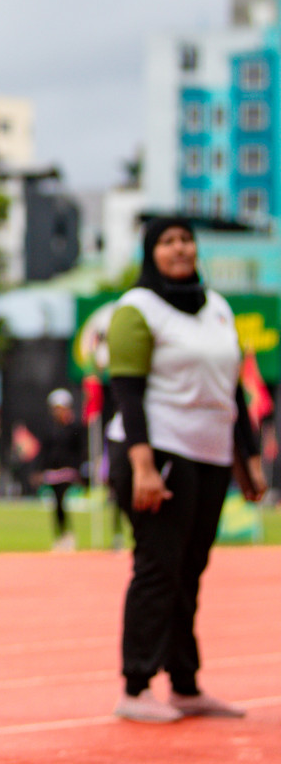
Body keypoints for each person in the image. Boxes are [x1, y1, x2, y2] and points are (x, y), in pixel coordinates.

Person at [106, 216, 265, 723]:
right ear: (151, 252)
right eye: (168, 241)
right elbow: (127, 390)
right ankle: (135, 686)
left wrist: (250, 460)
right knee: (158, 567)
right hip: (159, 453)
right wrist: (143, 464)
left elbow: (233, 391)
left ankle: (186, 684)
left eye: (186, 240)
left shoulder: (216, 306)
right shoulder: (138, 307)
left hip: (213, 455)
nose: (180, 249)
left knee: (190, 571)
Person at [37, 388, 85, 551]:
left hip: (69, 472)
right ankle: (60, 535)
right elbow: (44, 451)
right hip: (53, 472)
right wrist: (39, 470)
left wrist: (78, 469)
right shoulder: (49, 428)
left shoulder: (74, 427)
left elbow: (80, 450)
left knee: (62, 502)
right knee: (56, 504)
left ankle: (68, 534)